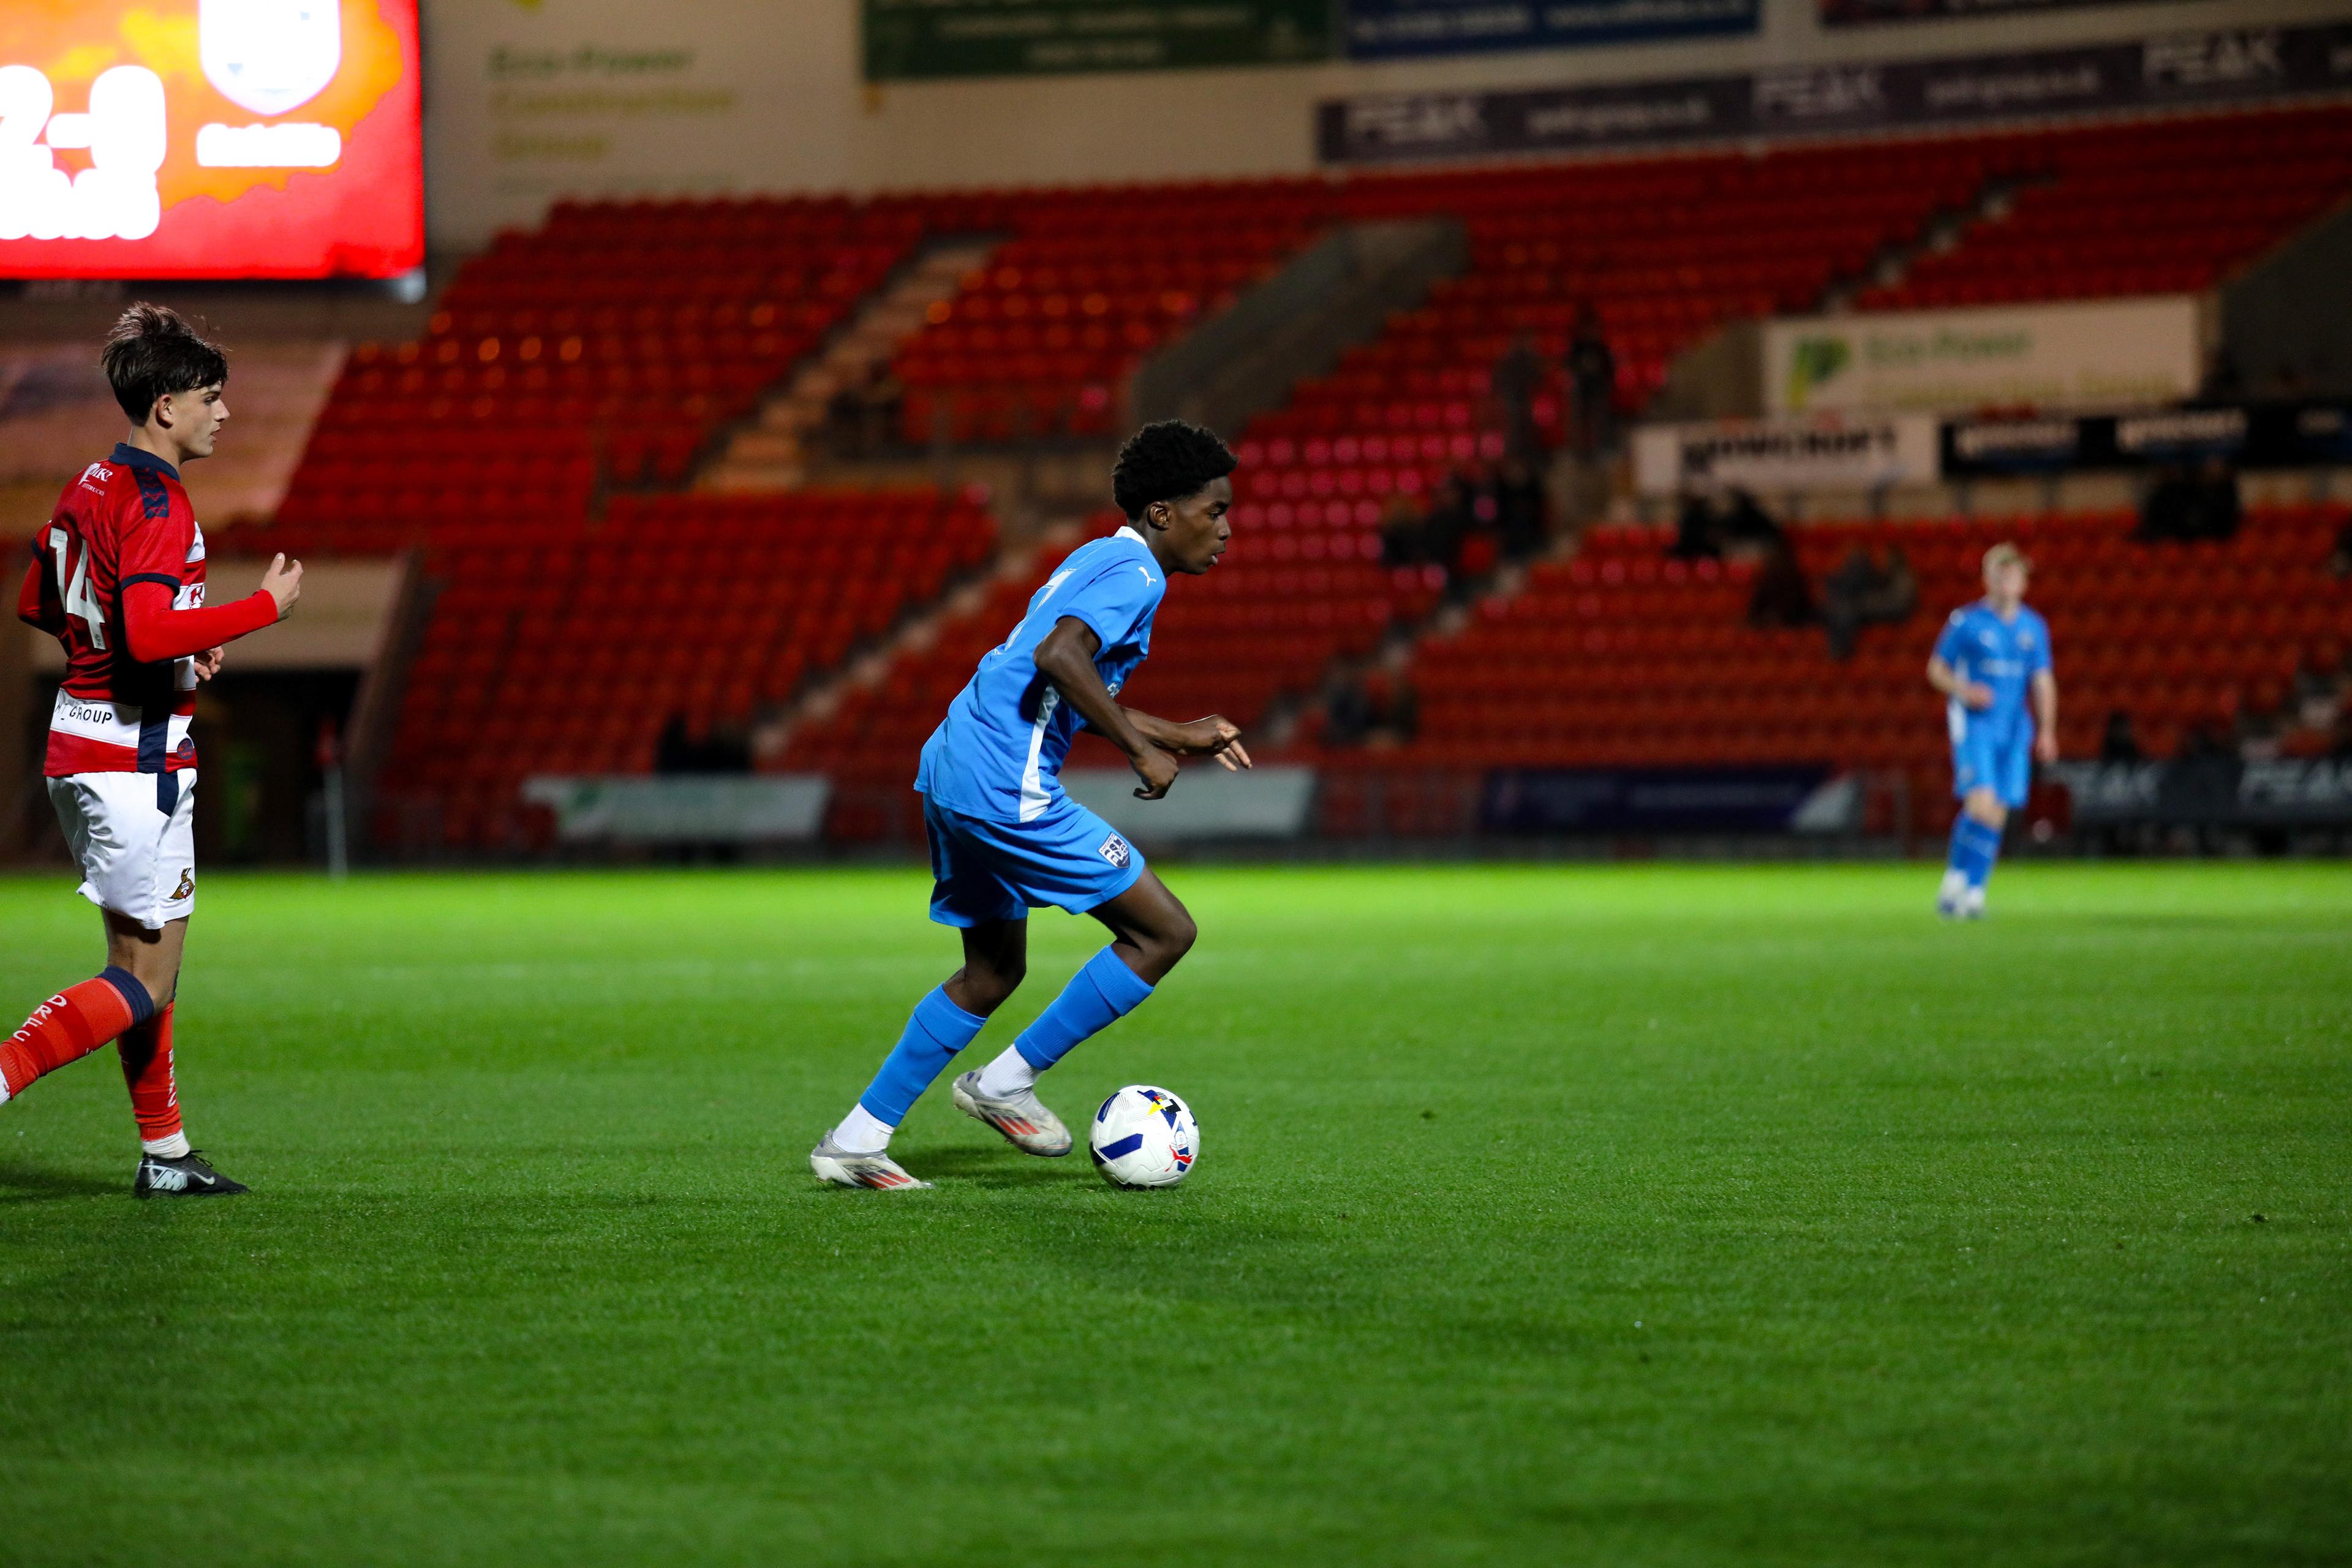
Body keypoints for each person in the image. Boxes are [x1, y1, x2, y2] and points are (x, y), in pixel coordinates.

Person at [809, 420, 1250, 1189]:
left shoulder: (1099, 558)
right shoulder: (1137, 574)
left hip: (954, 766)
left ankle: (855, 1139)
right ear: (1162, 514)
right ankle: (1005, 1082)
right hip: (1003, 785)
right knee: (1163, 932)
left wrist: (1180, 734)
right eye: (1213, 511)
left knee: (991, 970)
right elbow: (1058, 658)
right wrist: (1142, 751)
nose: (1226, 528)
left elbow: (1057, 682)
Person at [6, 303, 303, 1195]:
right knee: (143, 978)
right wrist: (258, 612)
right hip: (135, 759)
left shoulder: (90, 483)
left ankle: (165, 1155)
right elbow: (140, 629)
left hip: (80, 743)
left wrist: (178, 638)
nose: (223, 414)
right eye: (211, 398)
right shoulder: (158, 500)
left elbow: (37, 601)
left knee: (143, 966)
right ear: (165, 406)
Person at [1926, 543, 2056, 921]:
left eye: (2014, 574)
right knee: (1981, 804)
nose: (2007, 581)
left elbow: (2043, 681)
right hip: (1976, 725)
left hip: (2015, 729)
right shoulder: (1967, 622)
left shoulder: (2034, 627)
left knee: (1998, 812)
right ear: (1987, 580)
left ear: (2024, 582)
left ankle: (1973, 891)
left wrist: (2047, 730)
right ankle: (1955, 878)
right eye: (2000, 574)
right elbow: (1936, 669)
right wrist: (1965, 691)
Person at [1564, 304, 1616, 456]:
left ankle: (1598, 449)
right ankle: (1578, 452)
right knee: (1578, 421)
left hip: (1598, 389)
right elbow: (1568, 366)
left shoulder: (1601, 347)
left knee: (1598, 421)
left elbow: (1609, 369)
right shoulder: (1576, 346)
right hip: (1581, 389)